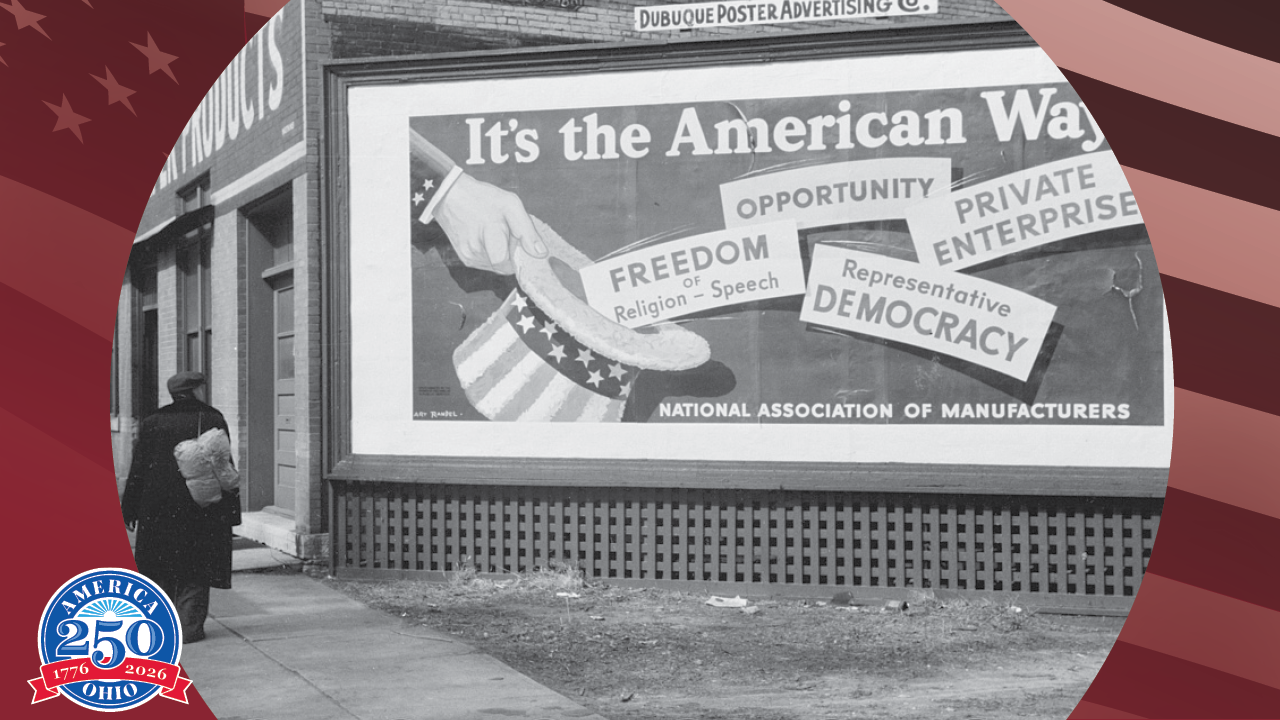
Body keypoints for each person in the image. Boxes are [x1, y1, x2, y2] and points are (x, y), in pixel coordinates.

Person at [121, 371, 240, 643]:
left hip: (158, 508)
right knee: (196, 566)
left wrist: (129, 509)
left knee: (159, 566)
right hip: (201, 507)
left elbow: (137, 468)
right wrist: (232, 512)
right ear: (196, 390)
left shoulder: (153, 421)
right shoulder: (212, 418)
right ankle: (189, 627)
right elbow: (224, 467)